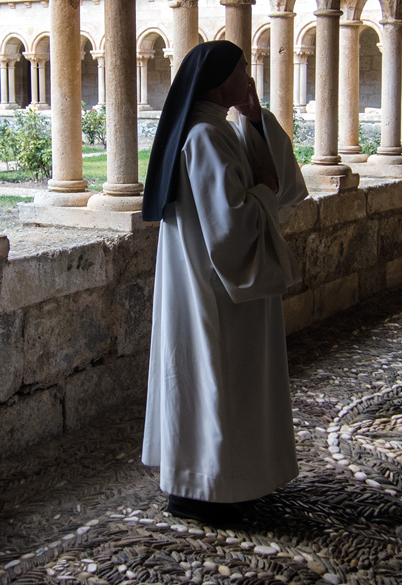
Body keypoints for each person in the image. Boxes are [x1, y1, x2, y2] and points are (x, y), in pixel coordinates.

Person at [141, 40, 308, 525]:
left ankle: (207, 482)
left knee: (204, 376)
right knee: (218, 376)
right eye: (241, 70)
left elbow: (272, 178)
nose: (249, 76)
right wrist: (263, 190)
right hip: (218, 289)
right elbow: (232, 226)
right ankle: (210, 488)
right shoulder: (206, 136)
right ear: (217, 81)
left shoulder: (213, 127)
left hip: (204, 281)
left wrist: (255, 120)